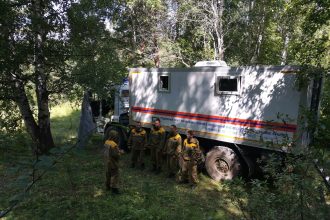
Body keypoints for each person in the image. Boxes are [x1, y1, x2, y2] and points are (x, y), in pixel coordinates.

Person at [104, 130, 123, 194]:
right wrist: (120, 152)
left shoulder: (106, 142)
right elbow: (115, 155)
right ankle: (114, 189)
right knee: (115, 175)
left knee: (108, 174)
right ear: (114, 136)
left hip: (107, 161)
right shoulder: (114, 144)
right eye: (116, 136)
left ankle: (107, 186)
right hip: (113, 163)